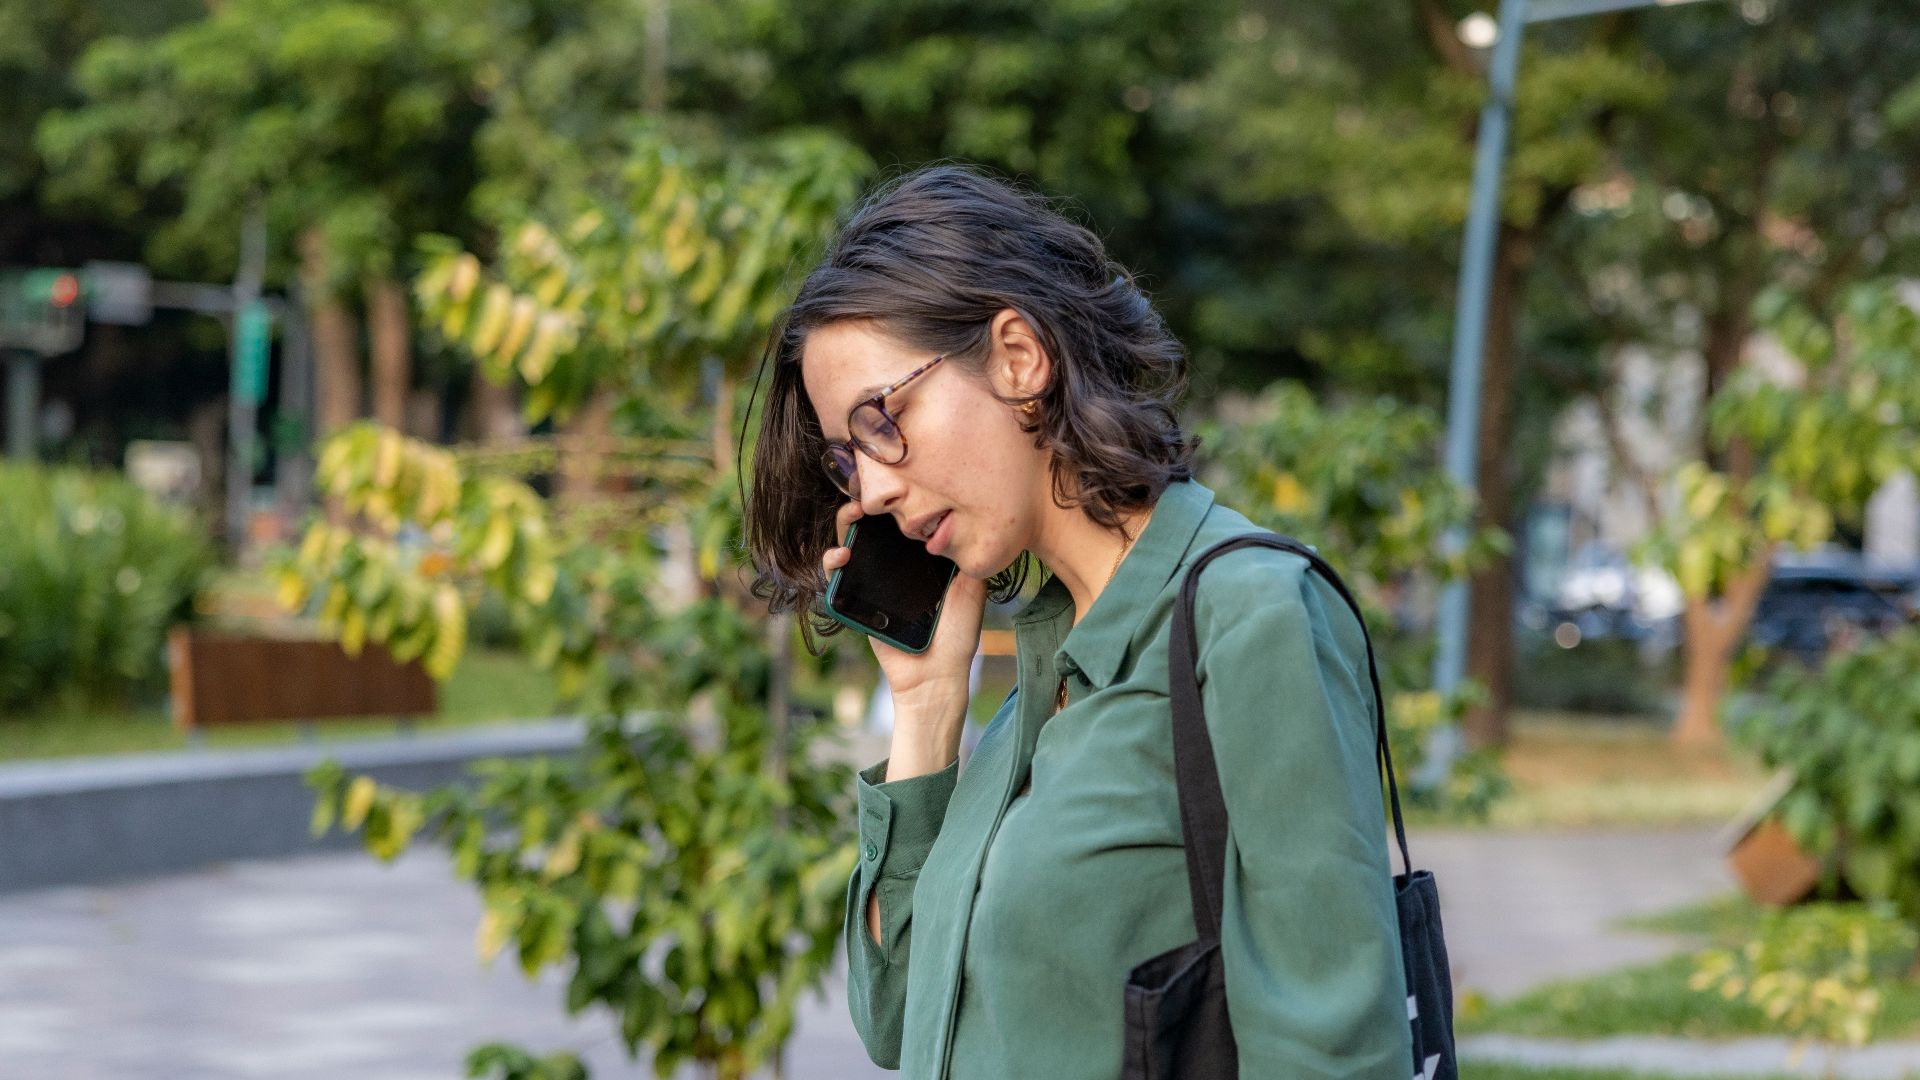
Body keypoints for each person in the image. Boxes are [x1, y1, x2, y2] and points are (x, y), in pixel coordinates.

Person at [742, 164, 1411, 1078]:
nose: (874, 486)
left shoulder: (1248, 619)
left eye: (881, 422)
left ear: (1018, 357)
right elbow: (897, 1018)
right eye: (845, 459)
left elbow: (1335, 1050)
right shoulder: (1044, 672)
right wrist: (931, 704)